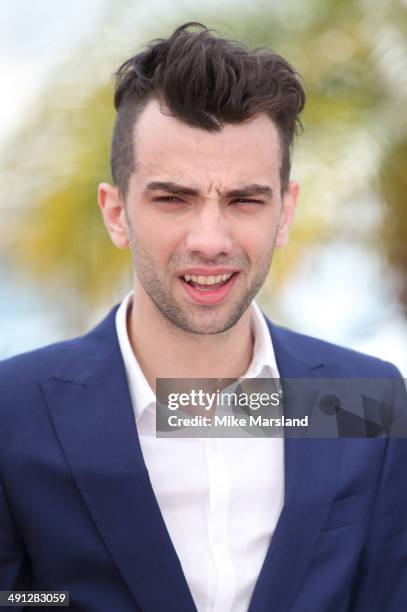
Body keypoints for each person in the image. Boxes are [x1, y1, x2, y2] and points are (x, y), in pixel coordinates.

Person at [0, 22, 406, 612]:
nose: (210, 240)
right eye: (173, 199)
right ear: (116, 213)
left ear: (285, 212)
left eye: (244, 200)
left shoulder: (364, 399)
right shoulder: (13, 411)